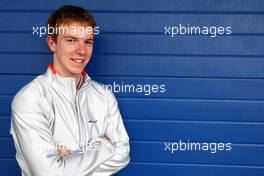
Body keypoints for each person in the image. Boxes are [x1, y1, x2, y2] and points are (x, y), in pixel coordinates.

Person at [10, 5, 130, 176]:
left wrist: (68, 161)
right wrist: (103, 146)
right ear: (52, 43)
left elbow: (122, 154)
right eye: (71, 40)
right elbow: (49, 174)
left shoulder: (103, 95)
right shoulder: (30, 98)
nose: (81, 51)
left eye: (88, 42)